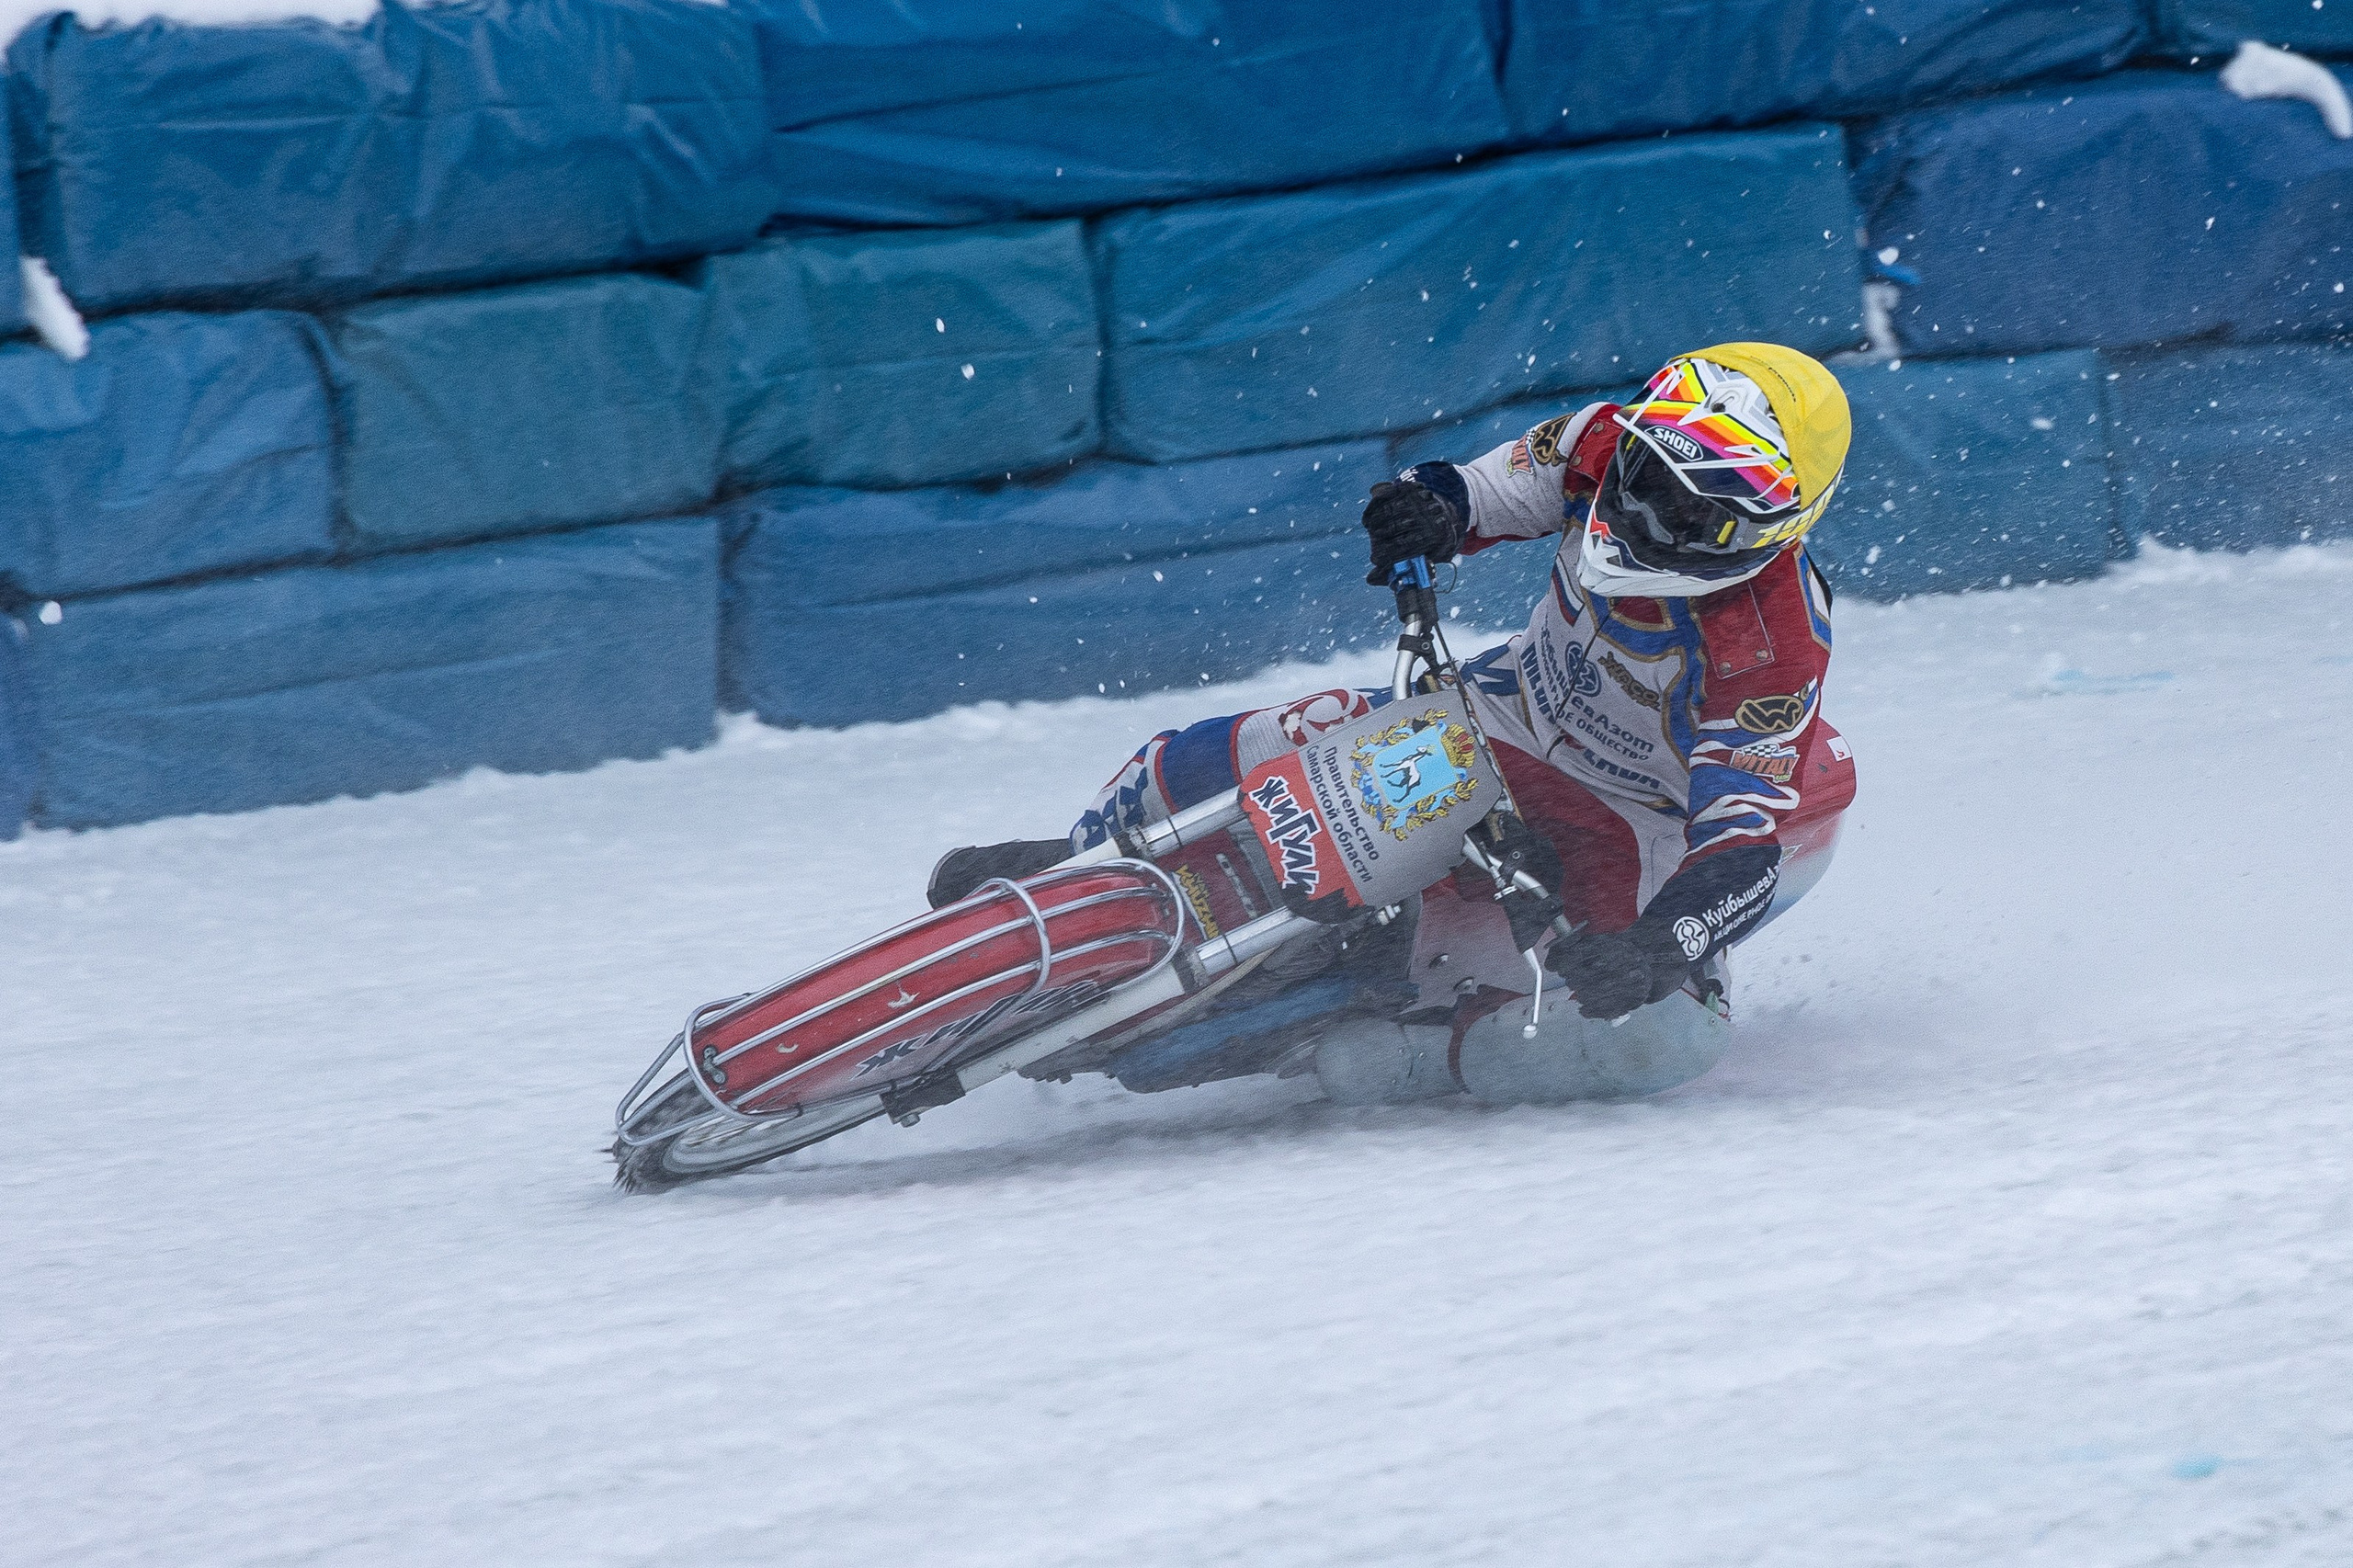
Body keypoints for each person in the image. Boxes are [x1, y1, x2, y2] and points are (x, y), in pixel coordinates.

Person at [927, 342, 1858, 1104]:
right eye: (1650, 480)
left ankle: (1415, 1049)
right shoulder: (1598, 439)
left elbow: (1744, 839)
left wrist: (1664, 943)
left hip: (1627, 818)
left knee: (1657, 1039)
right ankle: (1083, 855)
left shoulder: (1771, 644)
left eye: (1704, 515)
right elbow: (1478, 491)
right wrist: (1422, 512)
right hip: (1494, 713)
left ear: (1780, 524)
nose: (1655, 520)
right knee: (1235, 746)